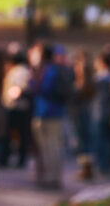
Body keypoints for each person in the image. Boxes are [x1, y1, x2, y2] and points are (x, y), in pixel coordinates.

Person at [29, 43, 68, 189]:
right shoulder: (52, 69)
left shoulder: (48, 71)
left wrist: (33, 80)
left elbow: (42, 89)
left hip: (47, 113)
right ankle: (51, 175)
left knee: (50, 146)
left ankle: (52, 176)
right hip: (52, 112)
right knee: (51, 146)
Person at [1, 51, 32, 168]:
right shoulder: (26, 70)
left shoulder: (16, 71)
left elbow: (17, 89)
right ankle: (21, 158)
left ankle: (9, 157)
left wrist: (11, 98)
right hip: (23, 106)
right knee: (22, 134)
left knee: (12, 133)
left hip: (15, 106)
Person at [92, 46, 110, 175]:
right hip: (109, 111)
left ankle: (102, 164)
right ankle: (106, 164)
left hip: (100, 111)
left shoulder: (98, 78)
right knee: (108, 138)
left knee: (101, 138)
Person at [71, 51, 95, 180]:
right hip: (81, 113)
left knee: (84, 142)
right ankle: (85, 169)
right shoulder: (84, 82)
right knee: (83, 141)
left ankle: (87, 170)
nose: (75, 68)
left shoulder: (83, 84)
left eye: (77, 65)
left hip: (83, 114)